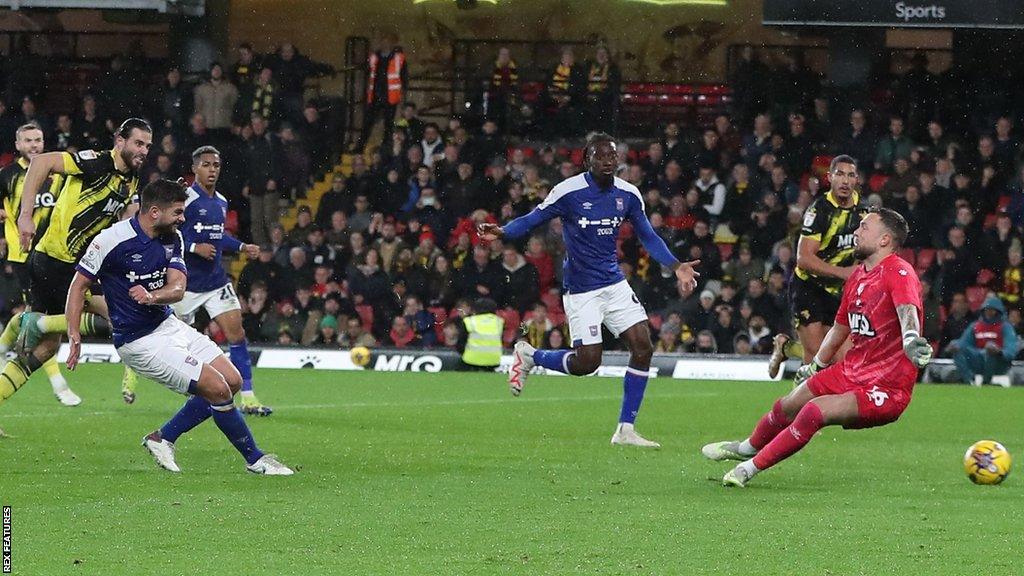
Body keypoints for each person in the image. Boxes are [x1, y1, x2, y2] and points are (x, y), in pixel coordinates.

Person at [479, 132, 699, 447]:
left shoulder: (628, 194)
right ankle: (530, 355)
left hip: (613, 283)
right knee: (587, 363)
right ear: (588, 160)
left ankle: (626, 429)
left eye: (612, 156)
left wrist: (677, 266)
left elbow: (648, 235)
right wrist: (502, 231)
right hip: (582, 289)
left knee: (643, 346)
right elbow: (534, 218)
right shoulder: (567, 191)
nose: (608, 161)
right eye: (601, 156)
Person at [66, 179, 291, 475]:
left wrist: (152, 296)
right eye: (178, 212)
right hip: (139, 342)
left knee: (232, 381)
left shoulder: (173, 237)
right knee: (217, 389)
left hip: (167, 324)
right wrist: (73, 334)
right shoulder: (110, 240)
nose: (183, 219)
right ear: (155, 212)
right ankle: (256, 459)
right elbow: (78, 284)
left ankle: (162, 438)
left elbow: (178, 287)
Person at [702, 208, 931, 487]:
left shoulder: (899, 271)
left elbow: (908, 309)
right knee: (789, 404)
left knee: (813, 411)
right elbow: (839, 328)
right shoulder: (858, 276)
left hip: (886, 387)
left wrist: (910, 339)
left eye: (864, 227)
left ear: (884, 239)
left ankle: (749, 469)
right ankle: (747, 447)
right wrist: (816, 366)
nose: (856, 232)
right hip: (851, 370)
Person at [1, 119, 151, 416]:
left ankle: (33, 327)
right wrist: (25, 216)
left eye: (147, 145)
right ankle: (34, 324)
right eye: (138, 143)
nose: (143, 150)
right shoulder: (95, 162)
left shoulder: (131, 178)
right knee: (119, 311)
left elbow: (123, 218)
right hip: (60, 261)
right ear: (120, 141)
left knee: (45, 350)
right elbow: (42, 162)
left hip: (73, 263)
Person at [121, 146, 272, 414]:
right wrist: (194, 248)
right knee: (165, 339)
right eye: (206, 165)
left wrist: (240, 247)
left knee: (236, 332)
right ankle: (132, 369)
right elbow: (167, 230)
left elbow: (217, 235)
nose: (212, 170)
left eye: (216, 165)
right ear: (194, 169)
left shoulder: (222, 202)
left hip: (215, 282)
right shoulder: (185, 199)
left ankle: (248, 396)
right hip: (185, 285)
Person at [0, 122, 81, 406]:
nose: (35, 145)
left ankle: (2, 349)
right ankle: (58, 384)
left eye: (39, 139)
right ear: (18, 144)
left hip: (56, 256)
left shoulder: (58, 174)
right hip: (25, 257)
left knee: (36, 320)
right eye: (29, 141)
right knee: (38, 320)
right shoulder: (7, 176)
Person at [768, 155, 865, 378]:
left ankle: (785, 347)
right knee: (815, 357)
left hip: (840, 291)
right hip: (809, 286)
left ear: (856, 180)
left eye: (850, 175)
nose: (845, 180)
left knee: (839, 359)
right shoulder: (819, 210)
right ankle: (807, 408)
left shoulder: (864, 211)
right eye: (839, 174)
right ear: (830, 178)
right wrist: (843, 272)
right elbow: (803, 258)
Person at [948, 295, 1017, 387]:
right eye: (987, 310)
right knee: (956, 347)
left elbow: (1011, 350)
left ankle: (986, 382)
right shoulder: (975, 326)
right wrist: (954, 346)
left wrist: (999, 351)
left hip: (999, 363)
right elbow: (963, 343)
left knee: (990, 348)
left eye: (992, 310)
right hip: (978, 359)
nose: (989, 313)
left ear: (998, 311)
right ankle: (968, 380)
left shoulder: (1005, 327)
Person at [455, 298, 504, 370]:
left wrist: (464, 353)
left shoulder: (469, 321)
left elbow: (460, 343)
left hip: (471, 360)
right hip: (493, 360)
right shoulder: (499, 322)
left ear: (475, 309)